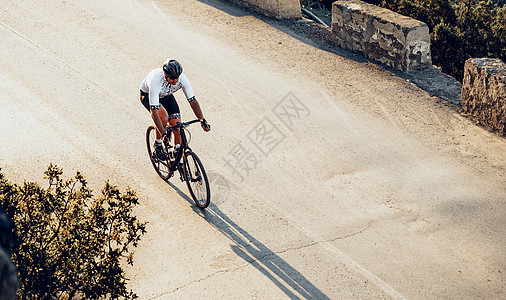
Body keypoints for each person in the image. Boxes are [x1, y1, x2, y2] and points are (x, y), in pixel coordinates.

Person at [140, 59, 210, 162]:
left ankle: (179, 159)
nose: (175, 81)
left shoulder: (182, 79)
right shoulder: (155, 80)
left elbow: (193, 101)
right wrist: (163, 133)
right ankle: (158, 144)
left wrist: (202, 120)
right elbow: (154, 112)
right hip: (148, 95)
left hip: (167, 96)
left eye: (177, 78)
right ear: (165, 75)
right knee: (163, 116)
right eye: (172, 79)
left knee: (177, 126)